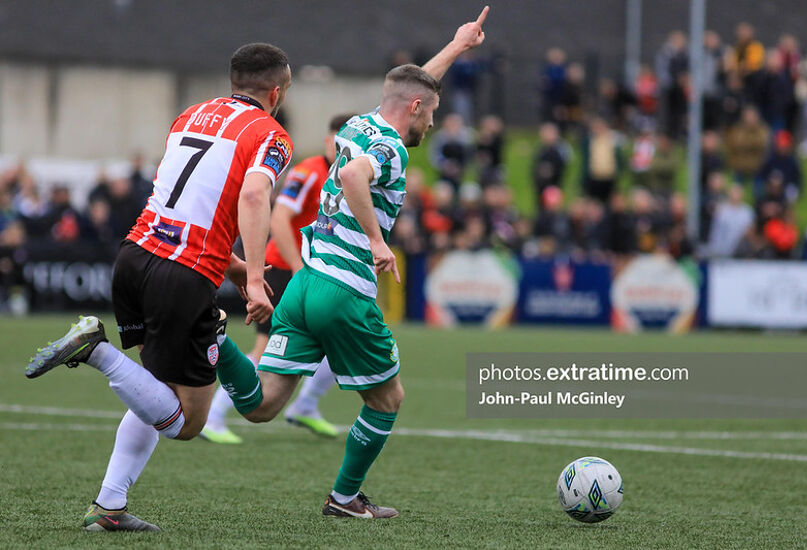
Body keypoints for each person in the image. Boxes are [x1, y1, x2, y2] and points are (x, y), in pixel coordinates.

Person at [212, 6, 490, 519]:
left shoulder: (364, 123)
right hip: (345, 291)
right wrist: (377, 241)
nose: (432, 119)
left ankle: (211, 342)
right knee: (387, 400)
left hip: (306, 284)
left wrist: (457, 45)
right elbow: (354, 178)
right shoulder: (391, 148)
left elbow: (414, 86)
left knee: (261, 406)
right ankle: (344, 498)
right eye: (430, 112)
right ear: (414, 109)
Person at [25, 43, 293, 531]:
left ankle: (109, 507)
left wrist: (230, 266)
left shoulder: (188, 115)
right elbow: (255, 194)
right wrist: (255, 276)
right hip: (184, 275)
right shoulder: (272, 135)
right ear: (277, 91)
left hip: (135, 255)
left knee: (154, 388)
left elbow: (184, 199)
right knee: (188, 422)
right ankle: (97, 352)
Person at [201, 114, 355, 444]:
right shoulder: (308, 172)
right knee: (266, 347)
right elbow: (280, 219)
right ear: (328, 142)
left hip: (315, 272)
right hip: (286, 270)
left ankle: (306, 405)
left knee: (341, 336)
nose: (343, 148)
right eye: (337, 141)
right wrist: (300, 268)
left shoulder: (344, 175)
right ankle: (213, 416)